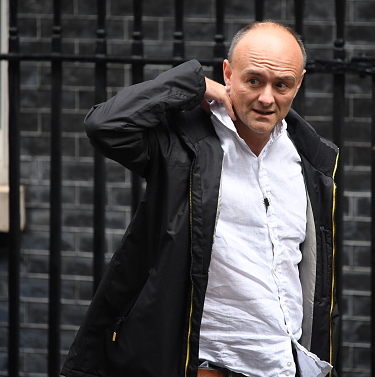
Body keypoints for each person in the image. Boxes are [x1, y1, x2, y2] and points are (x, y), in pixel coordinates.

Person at [61, 20, 340, 377]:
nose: (267, 98)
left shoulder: (311, 161)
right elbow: (105, 125)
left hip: (283, 366)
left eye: (281, 84)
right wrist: (191, 84)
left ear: (297, 84)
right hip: (207, 366)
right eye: (253, 80)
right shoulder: (184, 146)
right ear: (228, 73)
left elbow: (312, 283)